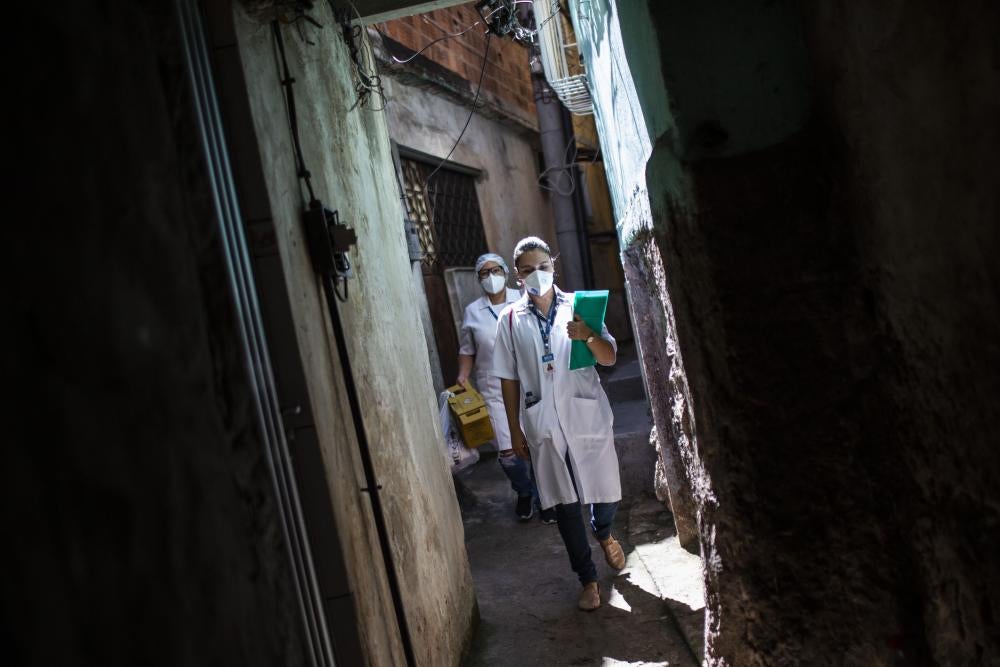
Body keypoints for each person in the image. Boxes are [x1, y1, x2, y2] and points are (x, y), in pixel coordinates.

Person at [491, 236, 625, 611]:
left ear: (555, 266)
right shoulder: (510, 319)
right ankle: (588, 580)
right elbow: (507, 377)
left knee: (606, 491)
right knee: (565, 504)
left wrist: (589, 335)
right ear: (518, 276)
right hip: (543, 422)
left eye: (543, 266)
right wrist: (515, 429)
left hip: (585, 412)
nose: (538, 275)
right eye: (529, 270)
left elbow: (610, 357)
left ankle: (603, 531)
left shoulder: (579, 306)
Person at [457, 253, 543, 521]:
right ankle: (524, 491)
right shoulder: (473, 311)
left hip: (529, 383)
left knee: (537, 443)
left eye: (495, 270)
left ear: (506, 272)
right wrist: (462, 377)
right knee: (507, 451)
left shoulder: (522, 299)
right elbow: (467, 350)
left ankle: (544, 497)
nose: (490, 276)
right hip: (492, 388)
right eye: (484, 273)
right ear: (478, 279)